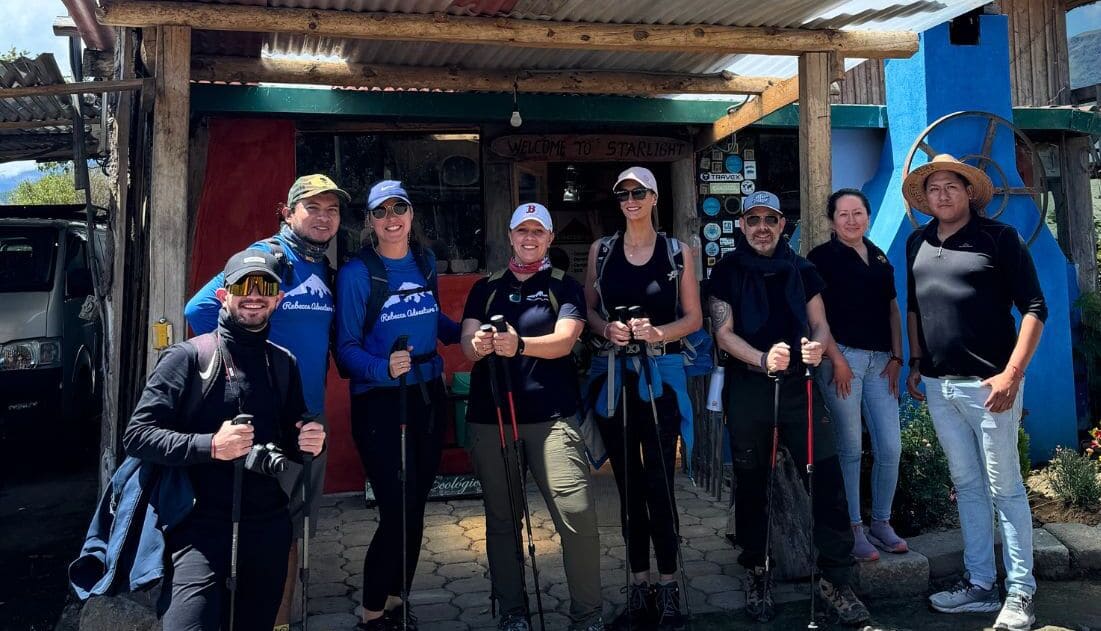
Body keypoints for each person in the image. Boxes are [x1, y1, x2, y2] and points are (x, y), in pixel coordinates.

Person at [124, 248, 326, 630]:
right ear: (223, 294)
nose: (254, 295)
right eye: (242, 286)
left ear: (278, 299)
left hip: (267, 525)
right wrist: (210, 446)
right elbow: (137, 436)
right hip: (199, 527)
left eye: (265, 286)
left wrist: (314, 442)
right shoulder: (186, 359)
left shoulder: (283, 363)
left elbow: (292, 437)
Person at [184, 173, 347, 627]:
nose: (323, 217)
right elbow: (198, 310)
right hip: (266, 420)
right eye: (311, 207)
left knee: (295, 526)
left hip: (308, 418)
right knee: (269, 528)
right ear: (287, 212)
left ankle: (280, 620)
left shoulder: (322, 267)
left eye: (331, 209)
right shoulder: (267, 257)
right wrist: (246, 368)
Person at [708, 191, 869, 625]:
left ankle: (836, 577)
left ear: (783, 225)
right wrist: (761, 359)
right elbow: (723, 333)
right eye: (754, 219)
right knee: (751, 483)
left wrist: (817, 348)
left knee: (827, 479)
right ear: (742, 225)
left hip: (800, 387)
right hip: (748, 387)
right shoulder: (725, 271)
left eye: (770, 219)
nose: (762, 226)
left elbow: (818, 321)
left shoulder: (803, 270)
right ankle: (758, 570)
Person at [903, 154, 1045, 631]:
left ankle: (1021, 591)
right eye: (934, 189)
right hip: (938, 386)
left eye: (951, 187)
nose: (941, 195)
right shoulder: (916, 242)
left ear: (969, 193)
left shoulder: (999, 239)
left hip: (991, 387)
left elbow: (1034, 307)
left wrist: (1012, 374)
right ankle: (981, 585)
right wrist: (917, 363)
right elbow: (916, 309)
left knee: (1005, 488)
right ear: (925, 199)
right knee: (966, 487)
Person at [461, 203, 604, 631]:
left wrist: (518, 344)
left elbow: (564, 341)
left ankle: (588, 615)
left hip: (552, 418)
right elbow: (467, 343)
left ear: (549, 238)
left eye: (537, 231)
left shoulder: (564, 286)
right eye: (521, 230)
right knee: (503, 522)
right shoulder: (485, 288)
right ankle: (512, 612)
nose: (529, 237)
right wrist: (482, 344)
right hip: (493, 418)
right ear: (509, 235)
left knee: (577, 516)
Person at [336, 180, 459, 631]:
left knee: (417, 504)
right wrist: (381, 368)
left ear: (411, 215)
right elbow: (345, 349)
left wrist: (466, 331)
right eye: (381, 211)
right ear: (370, 221)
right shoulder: (356, 274)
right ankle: (370, 614)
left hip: (428, 397)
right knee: (395, 506)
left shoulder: (425, 263)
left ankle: (393, 603)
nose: (392, 218)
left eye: (399, 208)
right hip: (381, 404)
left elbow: (433, 318)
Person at [583, 167, 701, 631]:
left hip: (661, 375)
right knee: (627, 487)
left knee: (659, 484)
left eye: (638, 192)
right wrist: (604, 328)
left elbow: (693, 318)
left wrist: (658, 333)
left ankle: (669, 587)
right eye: (622, 193)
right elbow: (590, 310)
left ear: (654, 197)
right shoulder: (602, 250)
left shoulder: (678, 253)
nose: (630, 200)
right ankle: (639, 587)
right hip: (614, 376)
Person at [807, 188, 907, 562]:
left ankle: (881, 521)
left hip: (882, 362)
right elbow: (815, 318)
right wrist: (838, 359)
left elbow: (893, 310)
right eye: (843, 214)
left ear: (868, 215)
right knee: (849, 448)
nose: (852, 220)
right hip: (841, 361)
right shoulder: (821, 259)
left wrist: (898, 356)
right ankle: (854, 528)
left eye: (858, 213)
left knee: (890, 447)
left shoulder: (880, 258)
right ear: (832, 221)